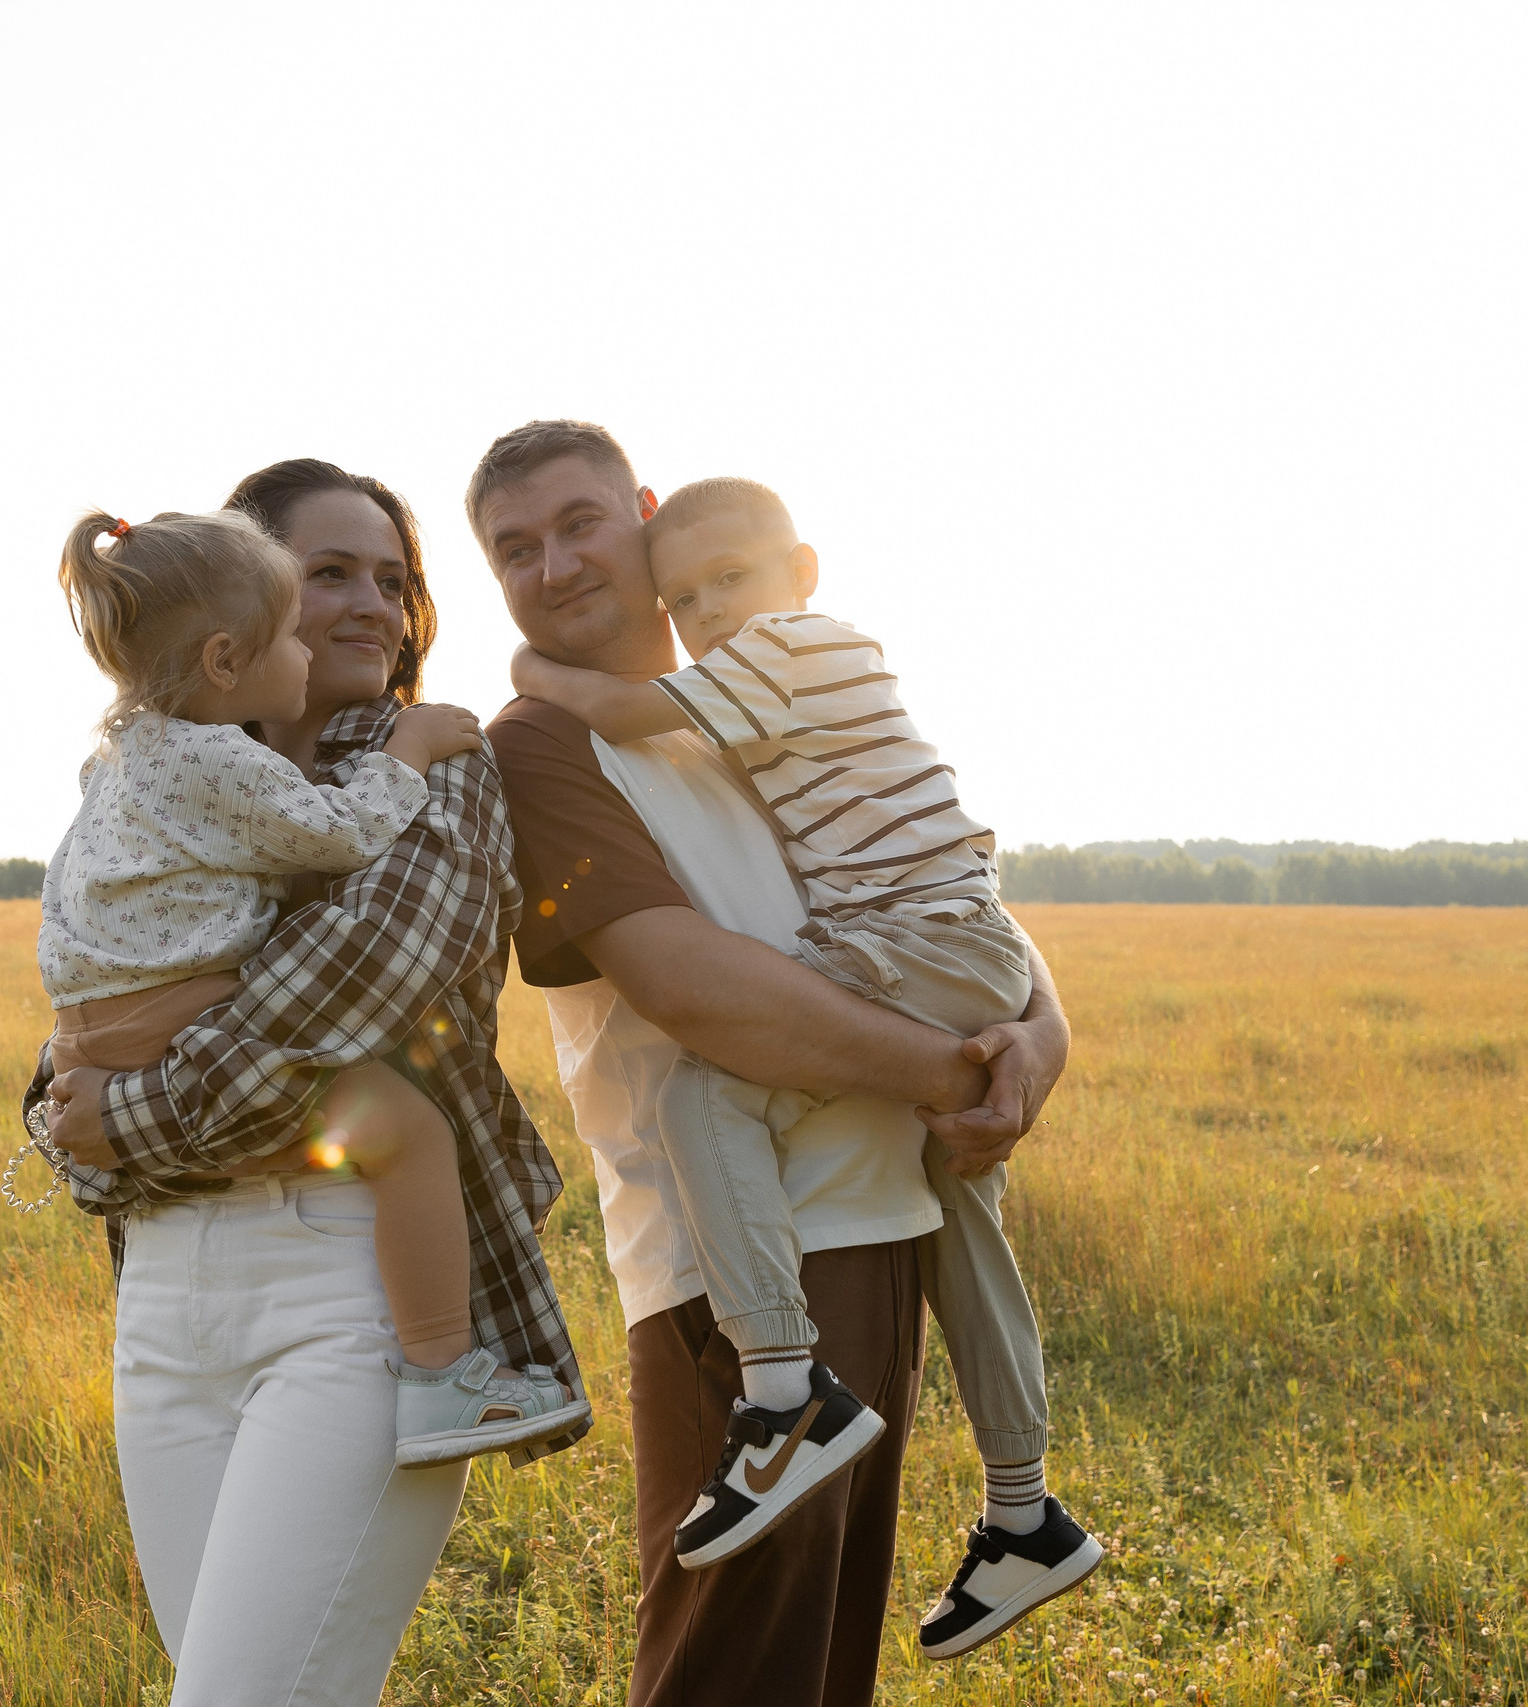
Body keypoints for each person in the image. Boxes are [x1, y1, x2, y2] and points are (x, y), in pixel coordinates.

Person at [471, 420, 1072, 1705]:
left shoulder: (756, 701)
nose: (555, 566)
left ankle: (1023, 1506)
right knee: (729, 1674)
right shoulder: (542, 742)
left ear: (643, 517)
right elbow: (697, 994)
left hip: (883, 1223)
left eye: (580, 524)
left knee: (816, 1673)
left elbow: (946, 887)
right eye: (515, 550)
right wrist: (953, 1073)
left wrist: (1039, 1035)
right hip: (733, 1281)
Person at [28, 461, 586, 1707]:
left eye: (393, 579)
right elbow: (77, 1026)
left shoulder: (432, 761)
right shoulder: (152, 776)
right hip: (163, 1303)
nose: (373, 605)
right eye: (329, 574)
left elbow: (346, 992)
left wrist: (120, 1117)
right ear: (236, 619)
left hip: (351, 1288)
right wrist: (78, 1109)